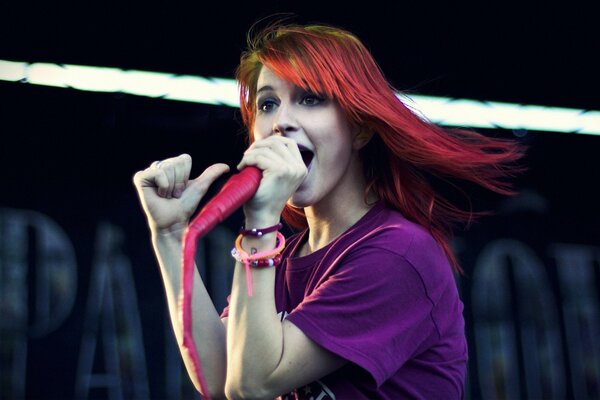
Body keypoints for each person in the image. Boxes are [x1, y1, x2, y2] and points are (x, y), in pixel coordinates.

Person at [133, 21, 523, 399]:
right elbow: (220, 379)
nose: (280, 123)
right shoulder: (281, 256)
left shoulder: (398, 254)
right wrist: (170, 236)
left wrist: (260, 222)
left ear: (360, 127)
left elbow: (251, 386)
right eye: (267, 103)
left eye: (310, 98)